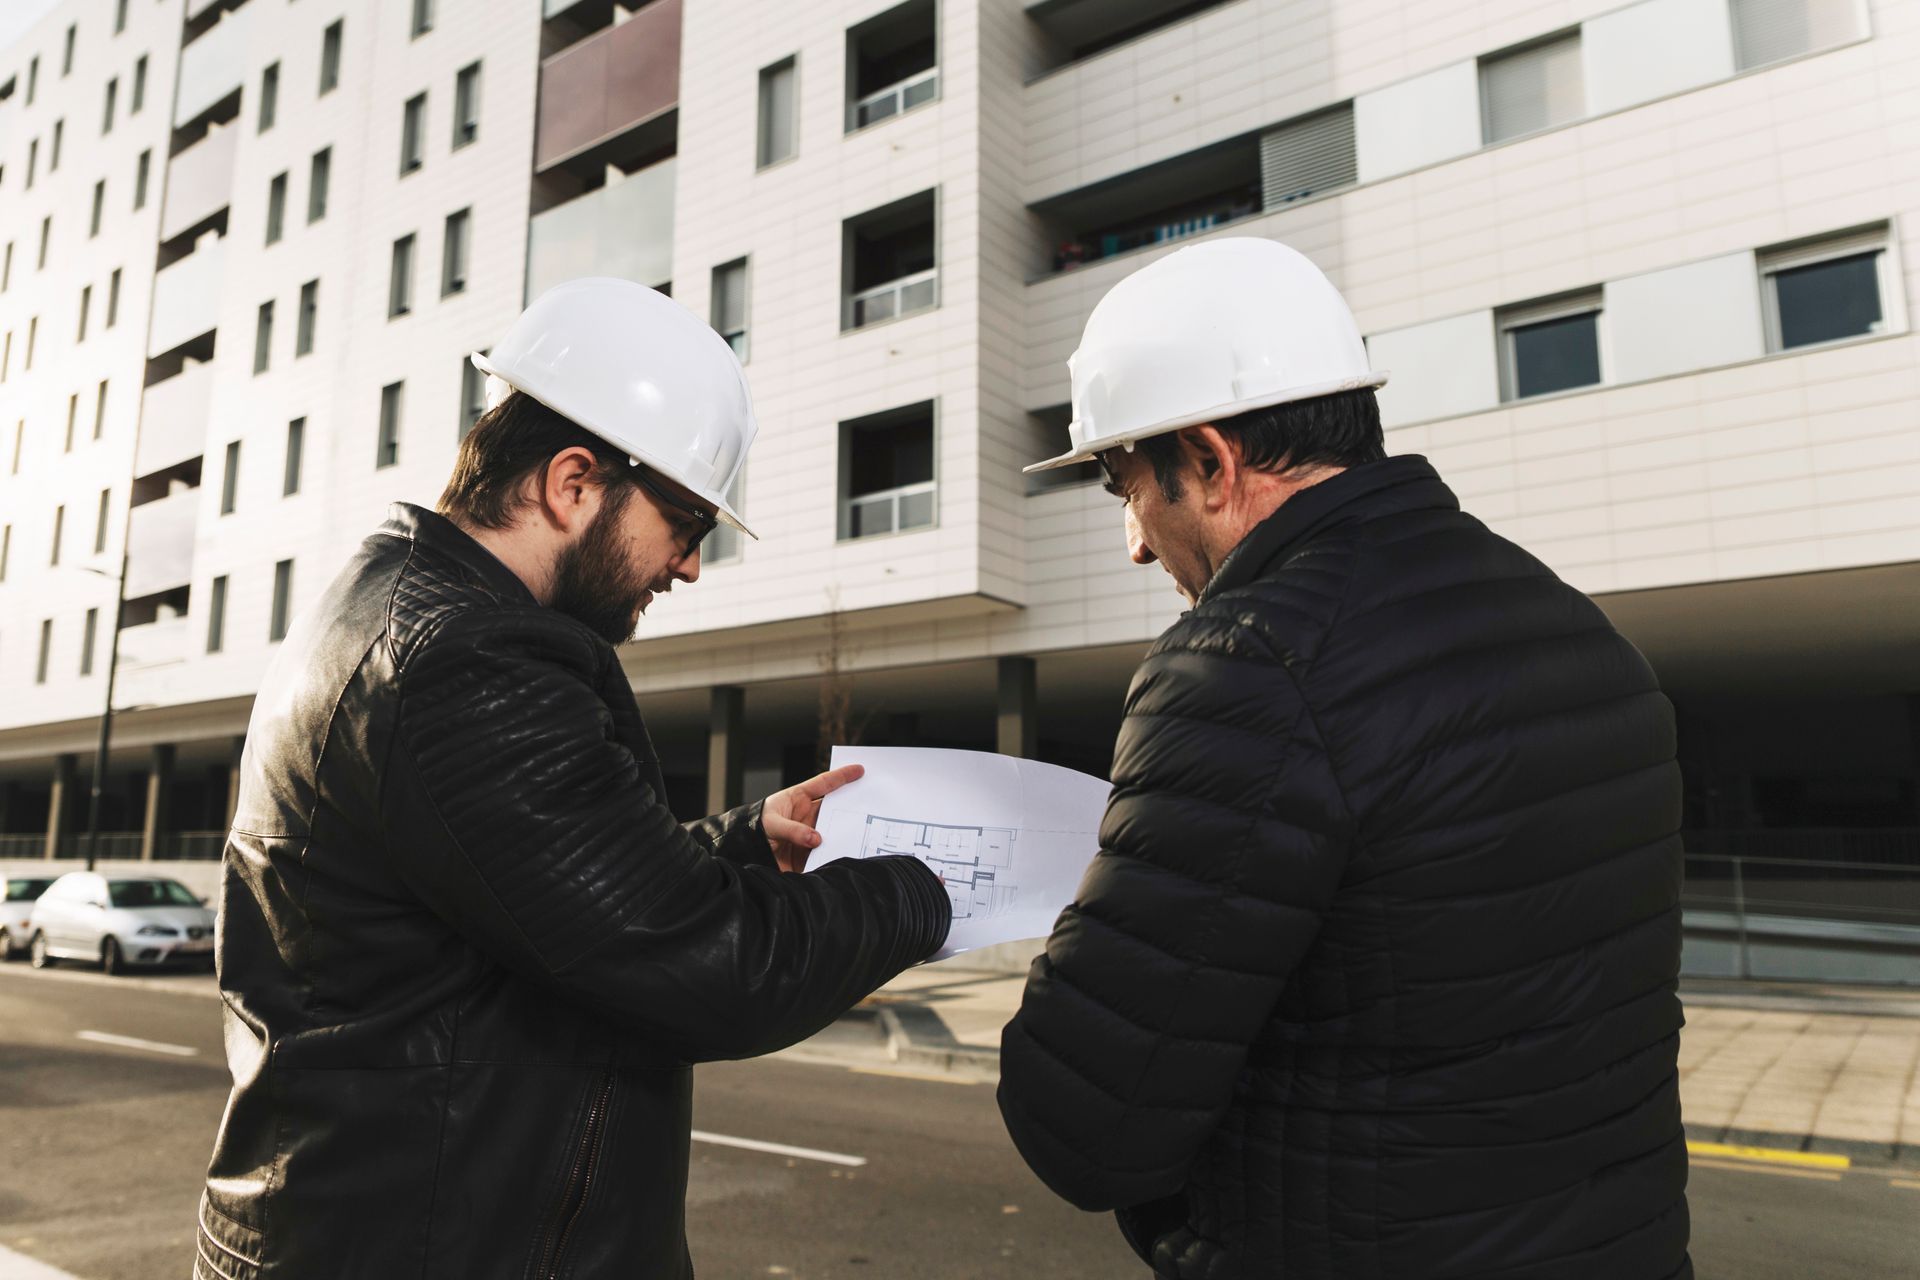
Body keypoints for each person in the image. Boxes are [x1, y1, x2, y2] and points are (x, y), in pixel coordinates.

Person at [192, 279, 951, 1279]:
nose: (685, 565)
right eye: (686, 522)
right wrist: (922, 885)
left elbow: (528, 898)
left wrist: (736, 839)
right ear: (573, 481)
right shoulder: (469, 663)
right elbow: (714, 967)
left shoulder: (391, 608)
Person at [997, 238, 1690, 1279]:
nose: (1137, 541)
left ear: (1213, 460)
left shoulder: (1248, 666)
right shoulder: (1585, 636)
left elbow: (1087, 1121)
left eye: (1125, 486)